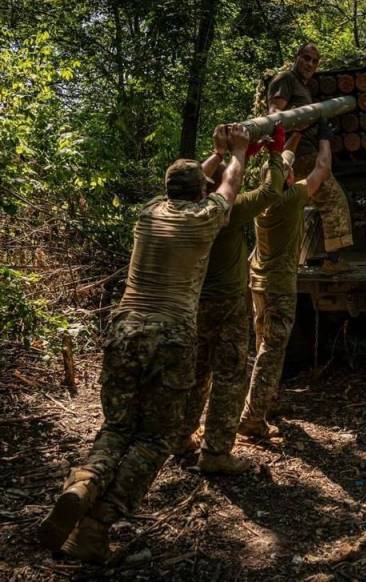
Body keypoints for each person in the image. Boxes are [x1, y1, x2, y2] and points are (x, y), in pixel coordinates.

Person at [37, 124, 251, 564]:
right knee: (155, 439)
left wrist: (212, 153)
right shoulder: (205, 217)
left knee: (117, 427)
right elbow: (229, 183)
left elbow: (189, 182)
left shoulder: (149, 212)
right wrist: (239, 153)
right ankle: (97, 526)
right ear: (200, 191)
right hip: (169, 336)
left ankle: (85, 483)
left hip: (123, 330)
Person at [173, 123, 290, 474]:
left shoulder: (179, 209)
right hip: (227, 303)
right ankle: (216, 452)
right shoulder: (228, 210)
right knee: (230, 374)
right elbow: (271, 190)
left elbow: (197, 179)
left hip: (194, 302)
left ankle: (180, 436)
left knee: (197, 371)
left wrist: (223, 154)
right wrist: (274, 152)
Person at [238, 119, 334, 438]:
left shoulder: (263, 200)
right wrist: (324, 137)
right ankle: (252, 418)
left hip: (258, 285)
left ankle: (267, 401)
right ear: (289, 178)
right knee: (272, 351)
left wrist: (291, 136)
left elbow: (280, 169)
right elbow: (322, 168)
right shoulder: (292, 200)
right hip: (279, 286)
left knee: (262, 344)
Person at [266, 42, 354, 273]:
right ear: (297, 57)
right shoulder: (285, 79)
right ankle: (333, 262)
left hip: (303, 153)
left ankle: (286, 258)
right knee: (334, 200)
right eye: (306, 58)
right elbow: (274, 115)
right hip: (298, 154)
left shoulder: (302, 86)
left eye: (314, 61)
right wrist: (298, 127)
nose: (310, 64)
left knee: (297, 207)